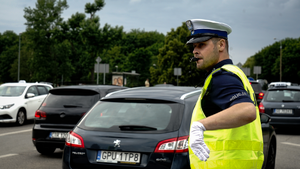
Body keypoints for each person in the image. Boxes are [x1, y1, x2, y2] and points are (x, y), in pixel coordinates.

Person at [186, 19, 264, 169]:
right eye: (194, 46)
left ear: (221, 45)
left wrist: (200, 126)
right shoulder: (235, 73)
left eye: (202, 45)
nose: (195, 51)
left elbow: (247, 110)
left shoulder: (222, 77)